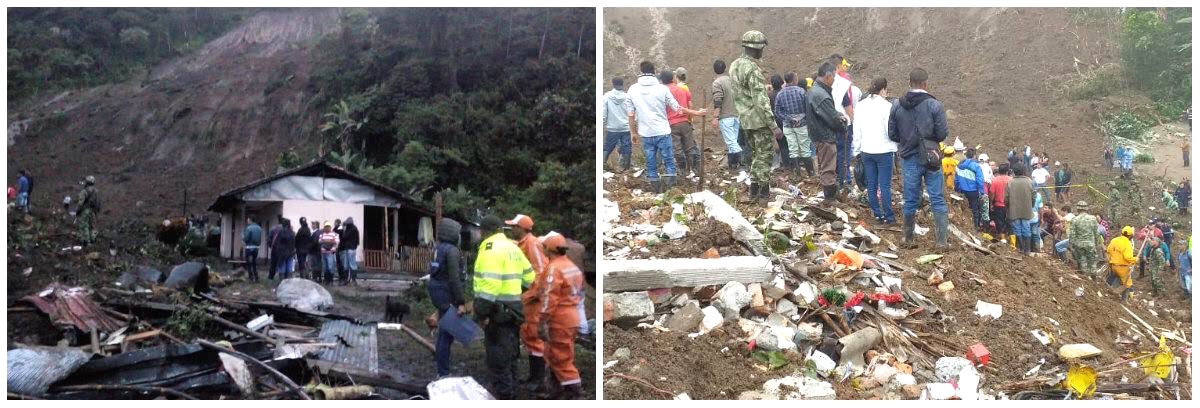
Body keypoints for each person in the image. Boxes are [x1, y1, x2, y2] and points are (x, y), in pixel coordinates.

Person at [472, 215, 535, 400]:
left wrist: (480, 312)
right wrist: (515, 293)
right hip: (514, 311)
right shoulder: (513, 248)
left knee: (498, 362)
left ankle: (505, 397)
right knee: (511, 358)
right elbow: (530, 278)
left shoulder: (490, 250)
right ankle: (513, 394)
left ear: (483, 231)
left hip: (496, 313)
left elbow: (488, 288)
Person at [888, 67, 949, 249]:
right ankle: (941, 241)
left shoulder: (897, 104)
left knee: (910, 199)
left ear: (909, 83)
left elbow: (892, 134)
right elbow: (942, 133)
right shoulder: (934, 105)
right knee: (937, 198)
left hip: (908, 157)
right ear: (925, 84)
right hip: (931, 157)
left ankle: (908, 238)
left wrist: (907, 141)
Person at [730, 30, 780, 203]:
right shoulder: (752, 68)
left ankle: (754, 192)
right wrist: (773, 125)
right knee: (764, 156)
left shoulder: (734, 65)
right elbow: (760, 100)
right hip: (759, 121)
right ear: (755, 48)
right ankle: (763, 194)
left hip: (745, 120)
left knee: (755, 156)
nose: (762, 52)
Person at [537, 232, 585, 399]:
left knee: (561, 360)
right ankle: (556, 393)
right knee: (556, 356)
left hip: (559, 320)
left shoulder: (554, 268)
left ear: (548, 249)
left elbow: (549, 298)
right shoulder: (571, 266)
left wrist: (542, 321)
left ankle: (574, 395)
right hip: (572, 317)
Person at [506, 214, 550, 395]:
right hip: (529, 298)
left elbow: (541, 272)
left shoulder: (532, 244)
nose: (512, 229)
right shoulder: (523, 244)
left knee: (535, 338)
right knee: (530, 337)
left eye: (514, 226)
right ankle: (534, 377)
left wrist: (530, 296)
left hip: (535, 300)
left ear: (522, 228)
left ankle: (540, 380)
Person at [626, 60, 683, 193]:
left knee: (650, 162)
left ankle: (655, 189)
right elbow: (676, 107)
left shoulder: (632, 89)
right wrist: (694, 112)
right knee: (668, 160)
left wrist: (633, 133)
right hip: (662, 130)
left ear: (641, 71)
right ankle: (671, 191)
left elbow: (630, 114)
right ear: (654, 72)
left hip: (645, 133)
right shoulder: (662, 89)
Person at [852, 77, 896, 224]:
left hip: (866, 150)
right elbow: (889, 129)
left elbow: (856, 129)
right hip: (883, 150)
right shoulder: (886, 106)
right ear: (883, 89)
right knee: (885, 185)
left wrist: (857, 149)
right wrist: (895, 144)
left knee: (871, 184)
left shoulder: (861, 105)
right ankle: (889, 216)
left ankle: (877, 214)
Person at [429, 217, 466, 379]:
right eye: (458, 233)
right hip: (446, 294)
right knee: (446, 334)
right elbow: (454, 279)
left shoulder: (440, 248)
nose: (460, 236)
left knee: (444, 331)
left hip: (437, 291)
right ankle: (443, 372)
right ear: (452, 234)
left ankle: (441, 369)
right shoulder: (452, 251)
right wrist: (461, 302)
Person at [807, 62, 848, 207]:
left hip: (819, 133)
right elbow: (832, 119)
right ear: (828, 76)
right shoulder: (820, 95)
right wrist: (842, 124)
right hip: (824, 135)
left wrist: (837, 115)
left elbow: (829, 113)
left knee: (827, 165)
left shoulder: (816, 91)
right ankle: (830, 199)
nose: (834, 81)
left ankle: (832, 194)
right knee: (828, 167)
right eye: (833, 78)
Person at [665, 70, 707, 178]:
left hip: (672, 124)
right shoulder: (683, 90)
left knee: (677, 148)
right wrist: (691, 118)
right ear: (673, 79)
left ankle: (683, 170)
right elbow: (690, 105)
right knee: (690, 147)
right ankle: (695, 170)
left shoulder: (663, 91)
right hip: (685, 122)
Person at [775, 71, 814, 178]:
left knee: (793, 149)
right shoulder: (801, 91)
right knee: (805, 149)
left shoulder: (780, 94)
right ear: (794, 80)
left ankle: (797, 174)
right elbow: (808, 108)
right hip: (802, 125)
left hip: (788, 125)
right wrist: (802, 118)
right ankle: (811, 174)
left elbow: (777, 111)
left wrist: (788, 118)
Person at [711, 59, 745, 171]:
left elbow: (718, 101)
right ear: (725, 68)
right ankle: (733, 167)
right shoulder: (733, 81)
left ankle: (743, 165)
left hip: (725, 117)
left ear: (714, 70)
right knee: (733, 142)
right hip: (736, 116)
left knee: (731, 143)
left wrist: (715, 117)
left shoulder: (717, 83)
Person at [829, 55, 855, 191]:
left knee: (830, 154)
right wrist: (853, 121)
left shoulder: (821, 82)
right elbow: (848, 105)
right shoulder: (842, 83)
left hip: (827, 124)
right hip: (843, 123)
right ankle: (842, 181)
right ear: (838, 66)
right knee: (843, 154)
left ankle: (832, 181)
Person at [602, 77, 633, 172]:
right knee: (626, 146)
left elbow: (603, 113)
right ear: (622, 84)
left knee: (608, 146)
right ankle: (626, 168)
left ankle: (602, 165)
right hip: (626, 127)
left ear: (613, 84)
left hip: (613, 128)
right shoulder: (627, 97)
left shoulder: (606, 96)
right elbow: (631, 112)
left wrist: (602, 123)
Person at [1005, 164, 1036, 256]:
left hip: (1014, 209)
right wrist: (1031, 205)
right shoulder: (1030, 182)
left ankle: (1020, 248)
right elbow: (1034, 196)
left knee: (1017, 229)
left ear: (1014, 172)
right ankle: (1027, 250)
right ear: (1024, 171)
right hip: (1026, 209)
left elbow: (1006, 198)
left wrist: (1008, 207)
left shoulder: (1010, 182)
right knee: (1026, 228)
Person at [1067, 201, 1104, 275]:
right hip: (1090, 244)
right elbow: (1097, 233)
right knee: (1092, 263)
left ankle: (1086, 279)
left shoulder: (1075, 220)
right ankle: (1094, 279)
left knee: (1082, 263)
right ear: (1086, 209)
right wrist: (1097, 244)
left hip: (1079, 245)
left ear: (1078, 209)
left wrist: (1072, 246)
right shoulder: (1093, 219)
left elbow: (1072, 235)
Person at [955, 148, 987, 230]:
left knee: (964, 208)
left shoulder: (959, 166)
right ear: (974, 156)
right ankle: (975, 228)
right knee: (975, 210)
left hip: (962, 190)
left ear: (965, 155)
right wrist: (982, 192)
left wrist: (957, 190)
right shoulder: (976, 166)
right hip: (973, 191)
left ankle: (965, 226)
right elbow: (980, 180)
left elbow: (956, 180)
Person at [1106, 226, 1139, 302]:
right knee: (1127, 284)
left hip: (1113, 266)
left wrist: (1113, 258)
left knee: (1115, 278)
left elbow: (1109, 250)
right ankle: (1124, 300)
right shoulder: (1128, 244)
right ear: (1130, 236)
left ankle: (1109, 291)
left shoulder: (1115, 240)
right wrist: (1135, 259)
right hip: (1122, 268)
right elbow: (1128, 257)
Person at [989, 164, 1012, 242]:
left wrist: (991, 203)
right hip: (1009, 204)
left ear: (999, 171)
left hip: (998, 204)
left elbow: (992, 193)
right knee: (1008, 221)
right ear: (1007, 171)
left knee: (999, 221)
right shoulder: (1011, 180)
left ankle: (1001, 236)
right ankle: (1007, 236)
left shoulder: (995, 180)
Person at [74, 175, 100, 244]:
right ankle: (92, 240)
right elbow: (98, 202)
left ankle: (87, 242)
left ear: (87, 182)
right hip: (92, 211)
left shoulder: (84, 191)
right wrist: (96, 211)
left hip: (85, 211)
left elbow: (80, 203)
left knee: (84, 226)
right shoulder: (96, 191)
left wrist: (77, 210)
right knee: (91, 226)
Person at [340, 217, 360, 284]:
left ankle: (350, 280)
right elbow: (358, 239)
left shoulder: (350, 229)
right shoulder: (355, 228)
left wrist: (344, 229)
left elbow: (345, 236)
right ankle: (351, 280)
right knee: (350, 264)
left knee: (349, 264)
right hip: (351, 248)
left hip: (349, 248)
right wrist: (355, 246)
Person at [243, 218, 264, 282]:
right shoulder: (259, 228)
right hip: (256, 248)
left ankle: (251, 277)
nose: (247, 221)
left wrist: (243, 238)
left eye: (248, 220)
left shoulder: (249, 228)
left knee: (249, 263)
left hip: (249, 247)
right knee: (254, 262)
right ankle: (256, 277)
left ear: (250, 220)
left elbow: (246, 238)